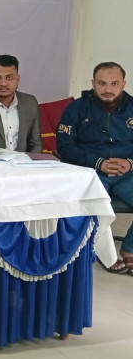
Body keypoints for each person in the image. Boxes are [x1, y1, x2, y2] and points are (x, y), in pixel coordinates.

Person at [57, 62, 133, 275]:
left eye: (114, 83)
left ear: (123, 84)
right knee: (94, 207)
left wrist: (130, 163)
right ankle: (104, 252)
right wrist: (98, 162)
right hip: (91, 171)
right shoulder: (76, 108)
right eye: (102, 83)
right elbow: (65, 146)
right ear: (93, 83)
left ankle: (129, 249)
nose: (108, 89)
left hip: (127, 172)